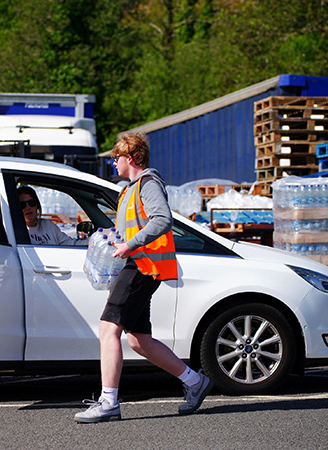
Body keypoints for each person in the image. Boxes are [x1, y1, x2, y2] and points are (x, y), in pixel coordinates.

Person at [74, 133, 212, 423]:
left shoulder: (148, 184)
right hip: (140, 266)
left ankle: (108, 402)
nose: (113, 162)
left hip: (142, 267)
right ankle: (195, 382)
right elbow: (133, 226)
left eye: (117, 157)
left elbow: (162, 220)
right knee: (138, 340)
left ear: (132, 158)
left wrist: (129, 245)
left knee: (107, 329)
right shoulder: (130, 188)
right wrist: (115, 240)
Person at [17, 185, 87, 246]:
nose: (28, 207)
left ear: (37, 205)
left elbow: (72, 244)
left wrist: (92, 240)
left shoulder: (48, 226)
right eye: (22, 205)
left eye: (31, 203)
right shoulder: (15, 232)